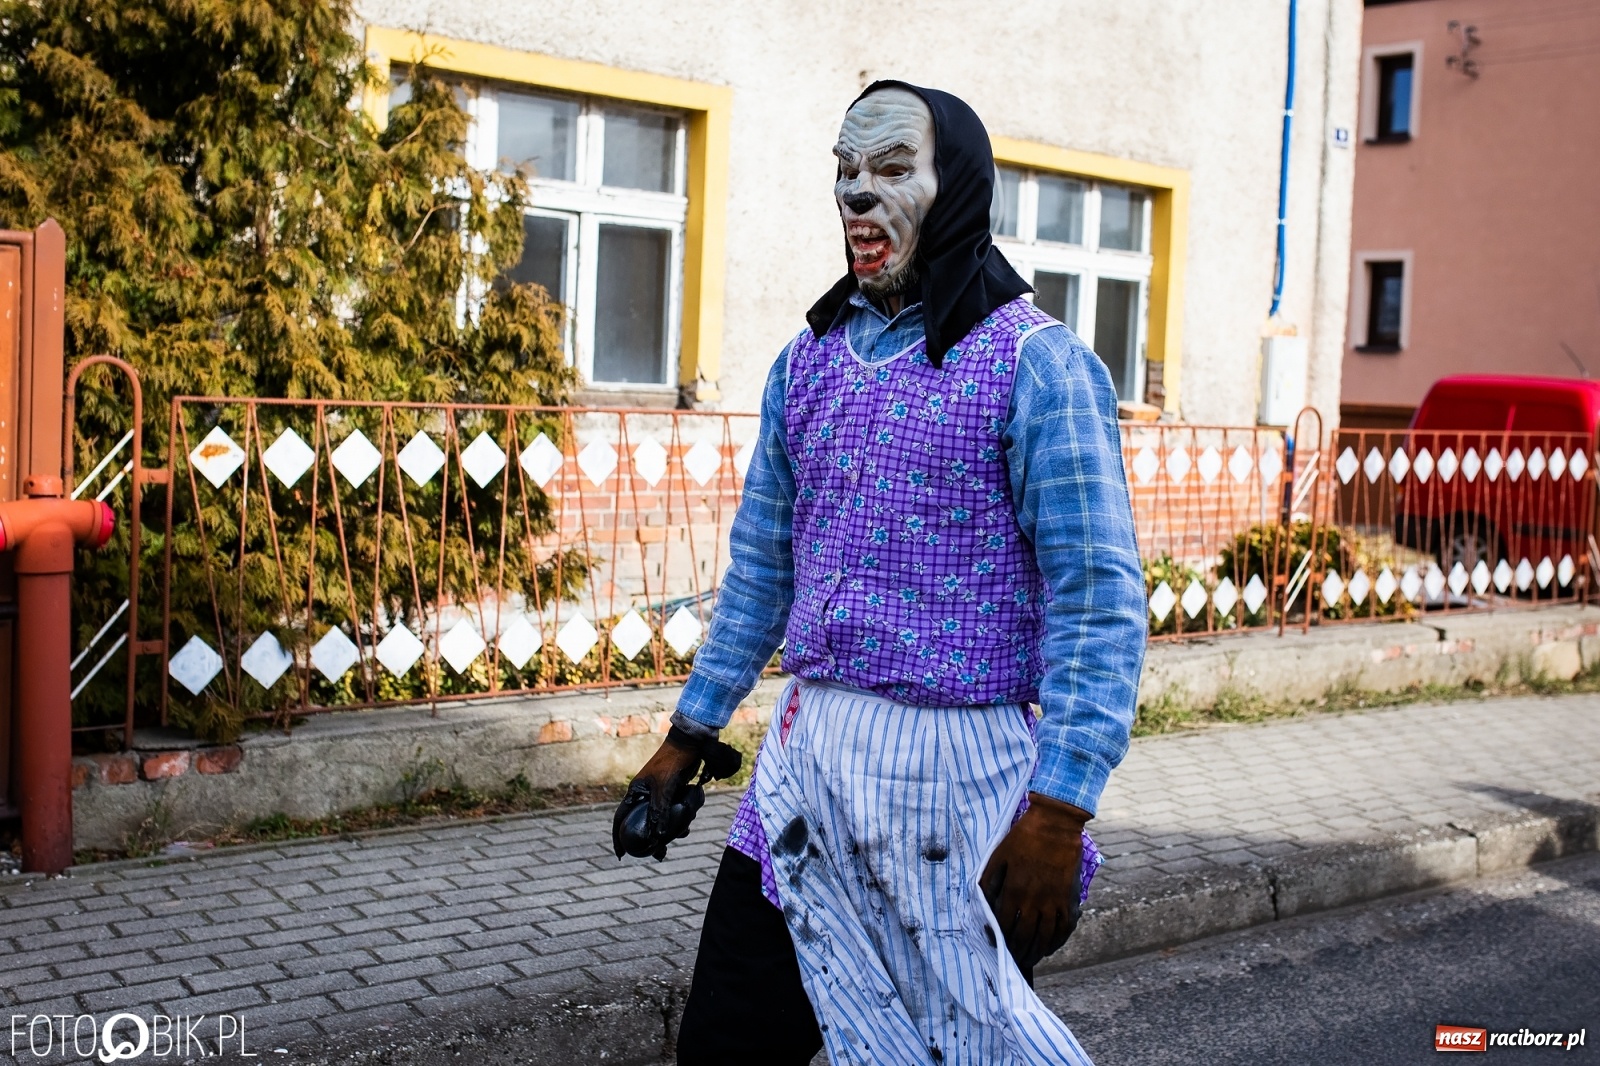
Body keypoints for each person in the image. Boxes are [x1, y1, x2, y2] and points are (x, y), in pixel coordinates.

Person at [612, 81, 1147, 1066]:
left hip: (965, 796)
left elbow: (1097, 598)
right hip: (805, 777)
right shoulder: (804, 365)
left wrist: (1061, 810)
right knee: (724, 1045)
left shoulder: (1037, 367)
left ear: (957, 189)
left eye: (892, 169)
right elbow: (761, 570)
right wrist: (686, 735)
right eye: (845, 172)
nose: (858, 196)